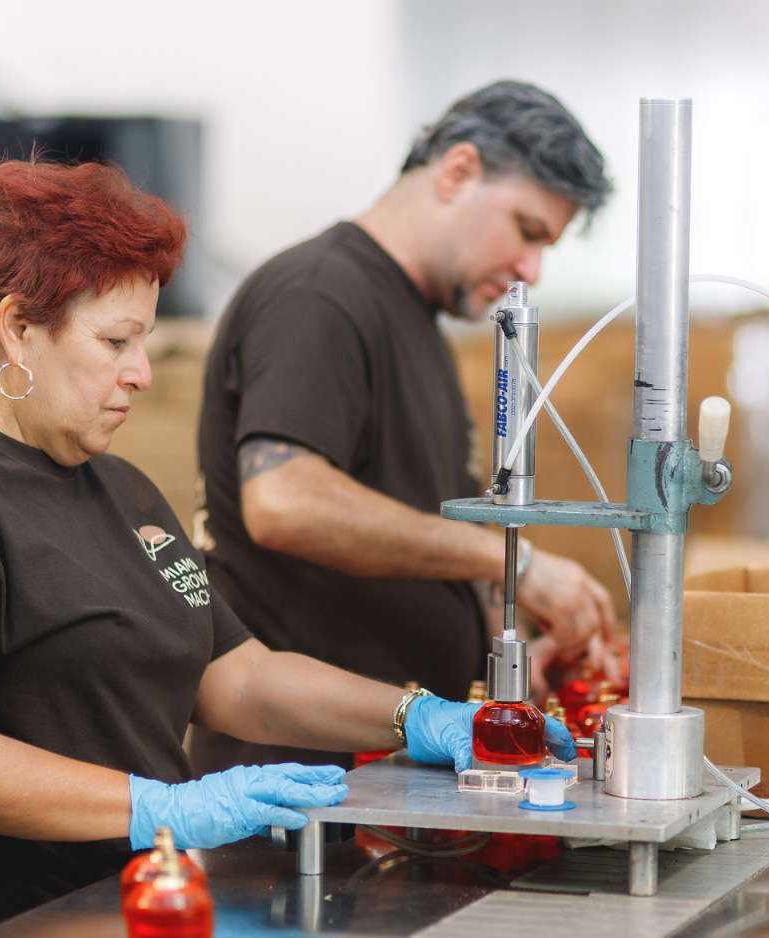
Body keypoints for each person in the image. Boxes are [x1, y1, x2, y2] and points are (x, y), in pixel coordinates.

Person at [0, 159, 578, 938]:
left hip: (72, 915)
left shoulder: (116, 488)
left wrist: (421, 717)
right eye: (115, 342)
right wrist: (164, 807)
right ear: (17, 329)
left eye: (144, 341)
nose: (141, 373)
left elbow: (239, 679)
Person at [191, 80, 617, 776]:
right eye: (527, 230)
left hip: (395, 772)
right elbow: (285, 502)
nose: (530, 268)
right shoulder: (320, 296)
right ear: (457, 173)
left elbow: (414, 531)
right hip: (306, 787)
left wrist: (506, 668)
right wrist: (514, 564)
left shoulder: (415, 320)